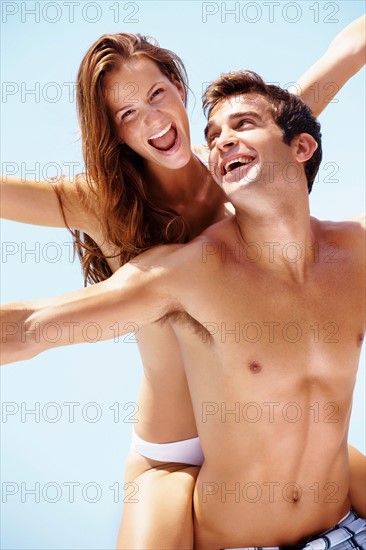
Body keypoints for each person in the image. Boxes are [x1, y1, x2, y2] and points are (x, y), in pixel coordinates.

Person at [2, 17, 365, 548]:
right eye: (127, 114)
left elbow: (347, 51)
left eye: (157, 94)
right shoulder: (103, 203)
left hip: (265, 425)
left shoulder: (244, 152)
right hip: (171, 445)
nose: (151, 118)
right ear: (115, 131)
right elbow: (33, 324)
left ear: (179, 86)